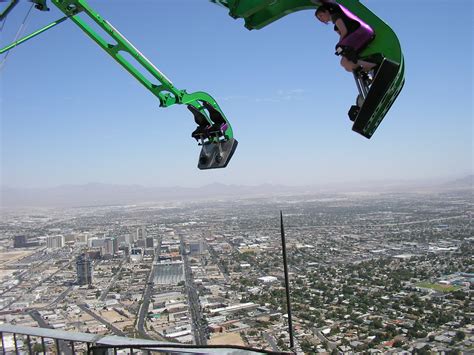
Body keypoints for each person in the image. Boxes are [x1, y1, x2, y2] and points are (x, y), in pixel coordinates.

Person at [315, 2, 377, 74]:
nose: (321, 19)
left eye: (321, 15)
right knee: (344, 63)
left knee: (339, 48)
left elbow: (344, 31)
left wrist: (339, 45)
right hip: (358, 36)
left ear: (326, 11)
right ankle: (366, 70)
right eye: (319, 18)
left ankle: (371, 66)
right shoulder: (336, 26)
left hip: (362, 33)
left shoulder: (335, 16)